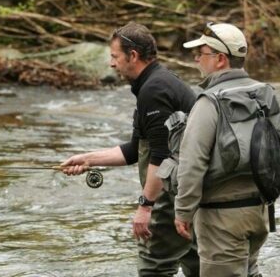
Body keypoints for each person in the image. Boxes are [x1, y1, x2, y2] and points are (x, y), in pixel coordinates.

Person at [61, 22, 199, 276]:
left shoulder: (154, 90)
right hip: (189, 192)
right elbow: (136, 150)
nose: (111, 64)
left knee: (153, 265)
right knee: (197, 262)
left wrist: (145, 207)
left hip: (172, 195)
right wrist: (87, 159)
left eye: (115, 56)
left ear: (132, 56)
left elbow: (161, 154)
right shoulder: (156, 82)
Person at [174, 22, 280, 276]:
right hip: (259, 214)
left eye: (200, 54)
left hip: (220, 220)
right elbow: (277, 153)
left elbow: (192, 163)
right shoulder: (265, 94)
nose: (197, 60)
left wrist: (183, 212)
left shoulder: (208, 103)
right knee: (250, 271)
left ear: (220, 59)